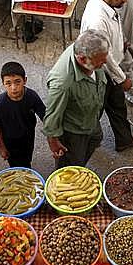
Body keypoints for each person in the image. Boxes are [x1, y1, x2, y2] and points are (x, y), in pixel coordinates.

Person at [80, 0, 133, 151]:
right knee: (96, 110)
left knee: (117, 106)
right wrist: (122, 78)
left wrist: (120, 41)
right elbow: (104, 57)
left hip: (109, 70)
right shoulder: (98, 20)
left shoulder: (102, 2)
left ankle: (124, 139)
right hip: (103, 72)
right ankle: (82, 142)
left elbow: (112, 30)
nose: (124, 0)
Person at [43, 30, 109, 168]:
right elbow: (52, 115)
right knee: (71, 166)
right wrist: (53, 141)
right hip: (74, 132)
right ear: (82, 59)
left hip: (90, 118)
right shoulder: (62, 83)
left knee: (95, 139)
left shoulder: (87, 50)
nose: (105, 62)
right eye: (100, 62)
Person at [0, 61, 46, 168]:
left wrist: (53, 136)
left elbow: (45, 116)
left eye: (17, 82)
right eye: (8, 83)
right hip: (10, 141)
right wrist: (2, 147)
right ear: (3, 83)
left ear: (25, 80)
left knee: (27, 157)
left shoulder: (32, 96)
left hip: (28, 137)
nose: (13, 87)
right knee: (15, 164)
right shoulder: (1, 103)